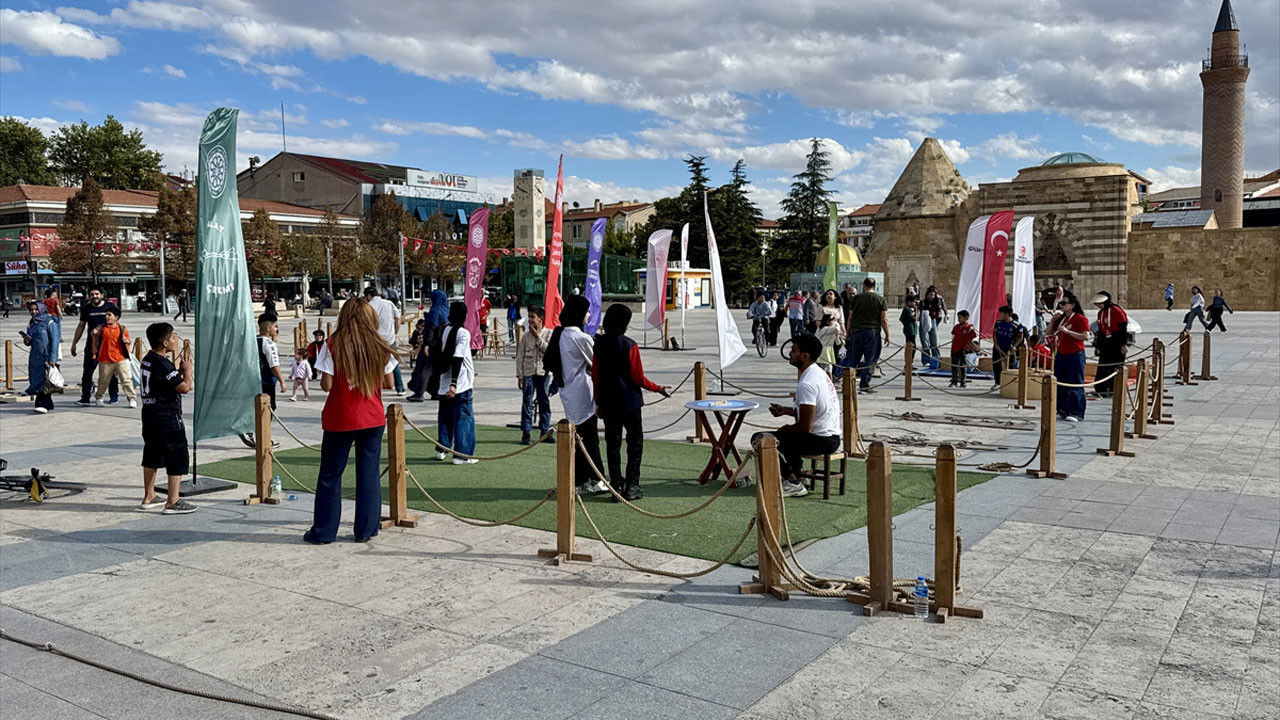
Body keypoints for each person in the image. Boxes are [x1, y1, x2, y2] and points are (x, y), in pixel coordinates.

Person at [305, 299, 399, 544]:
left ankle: (324, 532)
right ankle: (366, 529)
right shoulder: (379, 344)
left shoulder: (333, 344)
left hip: (341, 415)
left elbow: (326, 385)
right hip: (372, 415)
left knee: (330, 475)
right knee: (369, 474)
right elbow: (389, 383)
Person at [747, 334, 842, 498]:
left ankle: (792, 481)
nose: (790, 353)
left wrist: (786, 428)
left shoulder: (807, 383)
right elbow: (814, 410)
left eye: (794, 350)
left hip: (821, 440)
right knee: (785, 435)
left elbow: (806, 427)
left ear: (805, 356)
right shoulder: (818, 373)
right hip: (830, 437)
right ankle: (796, 475)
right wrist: (785, 410)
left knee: (761, 439)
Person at [592, 304, 671, 501]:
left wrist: (598, 402)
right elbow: (638, 377)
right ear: (624, 323)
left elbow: (596, 376)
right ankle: (632, 485)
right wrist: (657, 388)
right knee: (635, 443)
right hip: (630, 402)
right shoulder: (630, 345)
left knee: (613, 444)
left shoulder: (599, 344)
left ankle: (616, 485)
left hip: (609, 402)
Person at [544, 295, 608, 495]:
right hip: (582, 393)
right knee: (589, 440)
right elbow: (596, 361)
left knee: (578, 440)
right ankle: (598, 479)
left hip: (568, 391)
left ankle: (580, 480)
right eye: (587, 311)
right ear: (580, 314)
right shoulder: (580, 337)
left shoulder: (561, 334)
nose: (589, 315)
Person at [139, 322, 196, 514]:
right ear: (165, 342)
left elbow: (164, 380)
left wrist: (177, 373)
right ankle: (173, 500)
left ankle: (149, 495)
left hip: (150, 414)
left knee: (152, 455)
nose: (175, 339)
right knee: (176, 455)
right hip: (167, 415)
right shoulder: (162, 363)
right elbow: (185, 388)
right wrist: (187, 372)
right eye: (172, 337)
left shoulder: (148, 359)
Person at [434, 302, 478, 465]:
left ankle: (442, 448)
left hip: (444, 381)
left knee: (445, 417)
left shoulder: (445, 329)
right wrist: (454, 383)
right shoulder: (463, 333)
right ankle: (462, 455)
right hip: (460, 382)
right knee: (464, 418)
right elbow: (458, 357)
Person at [70, 286, 120, 406]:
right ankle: (85, 398)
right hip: (92, 345)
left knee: (111, 372)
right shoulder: (86, 308)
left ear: (101, 295)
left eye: (97, 294)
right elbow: (81, 326)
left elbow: (116, 324)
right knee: (87, 372)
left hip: (108, 345)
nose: (94, 296)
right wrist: (74, 343)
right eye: (92, 294)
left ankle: (113, 395)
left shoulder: (110, 307)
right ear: (88, 296)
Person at [841, 277, 890, 394]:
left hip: (856, 332)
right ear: (875, 286)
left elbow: (850, 318)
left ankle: (847, 384)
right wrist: (887, 334)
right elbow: (884, 320)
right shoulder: (880, 299)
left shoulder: (856, 299)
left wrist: (848, 333)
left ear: (864, 286)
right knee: (870, 360)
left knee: (853, 359)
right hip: (872, 332)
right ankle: (864, 385)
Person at [516, 305, 552, 445]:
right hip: (528, 373)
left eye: (533, 317)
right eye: (529, 317)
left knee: (544, 402)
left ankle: (544, 432)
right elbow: (520, 357)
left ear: (540, 319)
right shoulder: (525, 336)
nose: (530, 320)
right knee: (527, 402)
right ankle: (526, 432)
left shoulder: (549, 334)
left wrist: (538, 337)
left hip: (544, 373)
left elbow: (549, 351)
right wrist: (520, 376)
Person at [1053, 292, 1091, 422]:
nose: (1061, 305)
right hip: (1062, 353)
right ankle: (1062, 409)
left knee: (1075, 382)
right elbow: (1048, 332)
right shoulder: (1062, 318)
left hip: (1075, 353)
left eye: (1064, 303)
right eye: (1060, 303)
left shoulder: (1080, 318)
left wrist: (1068, 332)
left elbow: (1086, 336)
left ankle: (1076, 412)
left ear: (1072, 305)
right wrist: (1054, 320)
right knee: (1061, 381)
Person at [92, 308, 138, 408]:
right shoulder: (102, 329)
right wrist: (94, 334)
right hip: (104, 359)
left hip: (120, 358)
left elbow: (128, 341)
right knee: (103, 380)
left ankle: (131, 398)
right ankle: (99, 397)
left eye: (109, 315)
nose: (106, 317)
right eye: (106, 315)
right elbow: (95, 341)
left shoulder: (122, 328)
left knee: (125, 379)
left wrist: (126, 340)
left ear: (116, 317)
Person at [408, 289, 448, 402]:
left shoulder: (435, 311)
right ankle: (435, 392)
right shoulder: (446, 310)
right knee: (435, 370)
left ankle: (419, 392)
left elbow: (431, 328)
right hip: (443, 344)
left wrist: (426, 344)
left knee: (425, 368)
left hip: (433, 345)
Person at [364, 286, 404, 394]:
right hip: (390, 338)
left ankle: (371, 386)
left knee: (371, 362)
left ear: (368, 296)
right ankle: (400, 387)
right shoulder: (389, 303)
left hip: (376, 339)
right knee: (394, 362)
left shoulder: (369, 306)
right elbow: (397, 317)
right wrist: (395, 331)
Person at [21, 301, 58, 414]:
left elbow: (55, 340)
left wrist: (52, 357)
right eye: (31, 310)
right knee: (36, 379)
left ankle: (43, 404)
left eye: (36, 309)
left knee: (45, 380)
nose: (33, 312)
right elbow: (31, 341)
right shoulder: (32, 323)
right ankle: (48, 404)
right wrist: (27, 340)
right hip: (35, 357)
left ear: (41, 309)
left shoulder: (50, 322)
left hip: (46, 356)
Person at [1092, 291, 1128, 398]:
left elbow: (1123, 328)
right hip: (1105, 343)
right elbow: (1100, 331)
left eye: (1100, 303)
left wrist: (1123, 344)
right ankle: (1101, 389)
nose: (1098, 306)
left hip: (1116, 341)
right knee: (1103, 367)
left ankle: (1115, 389)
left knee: (1115, 367)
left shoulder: (1116, 310)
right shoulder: (1101, 313)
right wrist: (1098, 346)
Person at [992, 305, 1024, 388]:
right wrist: (995, 343)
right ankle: (997, 382)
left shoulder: (1016, 325)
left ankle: (1009, 384)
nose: (999, 315)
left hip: (1010, 348)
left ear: (1007, 314)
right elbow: (994, 333)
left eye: (1001, 313)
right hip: (998, 347)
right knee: (996, 364)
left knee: (1010, 365)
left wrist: (1015, 346)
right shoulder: (998, 322)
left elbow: (1021, 336)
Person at [920, 286, 948, 370]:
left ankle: (936, 359)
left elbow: (942, 309)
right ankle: (926, 360)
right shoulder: (924, 302)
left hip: (933, 321)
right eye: (930, 295)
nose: (931, 297)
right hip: (924, 320)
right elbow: (920, 311)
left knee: (934, 341)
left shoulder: (938, 302)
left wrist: (946, 315)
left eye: (933, 295)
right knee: (924, 342)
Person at [950, 310, 978, 387]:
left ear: (966, 318)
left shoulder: (969, 328)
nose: (959, 319)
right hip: (954, 348)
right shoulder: (956, 327)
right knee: (954, 365)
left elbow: (970, 340)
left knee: (962, 365)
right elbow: (954, 335)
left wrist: (965, 348)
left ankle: (963, 381)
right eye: (958, 318)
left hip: (962, 349)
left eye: (960, 317)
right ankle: (954, 380)